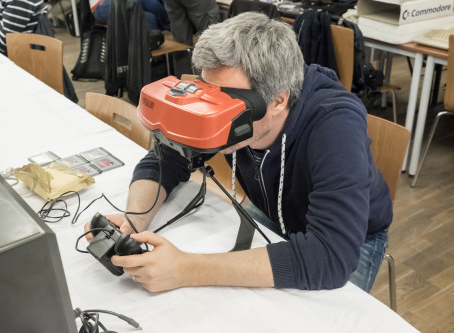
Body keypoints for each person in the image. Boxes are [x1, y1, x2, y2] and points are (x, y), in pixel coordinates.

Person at [85, 12, 392, 293]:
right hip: (270, 211)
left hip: (349, 239)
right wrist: (133, 221)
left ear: (277, 101)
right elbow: (166, 158)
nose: (209, 109)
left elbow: (329, 256)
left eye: (224, 103)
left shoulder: (335, 124)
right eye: (206, 92)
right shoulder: (228, 88)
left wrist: (186, 269)